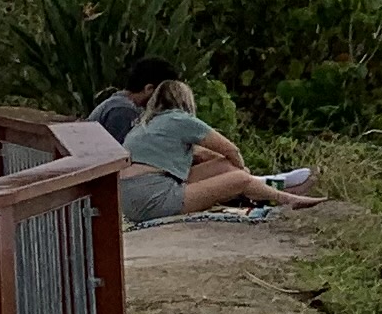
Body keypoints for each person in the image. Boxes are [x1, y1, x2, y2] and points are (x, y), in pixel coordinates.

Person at [118, 80, 312, 223]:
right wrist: (243, 172)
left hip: (131, 200)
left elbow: (204, 155)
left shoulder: (145, 125)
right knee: (238, 179)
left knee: (224, 167)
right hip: (155, 199)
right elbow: (231, 149)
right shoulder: (180, 119)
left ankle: (270, 183)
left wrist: (227, 169)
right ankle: (288, 198)